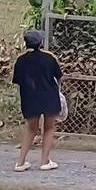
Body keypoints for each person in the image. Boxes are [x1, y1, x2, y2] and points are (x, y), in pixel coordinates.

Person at [11, 29, 62, 172]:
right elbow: (58, 76)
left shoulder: (21, 60)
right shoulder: (49, 58)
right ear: (41, 42)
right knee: (49, 127)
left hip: (29, 97)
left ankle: (20, 162)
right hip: (49, 96)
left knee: (31, 128)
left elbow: (18, 81)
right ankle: (45, 161)